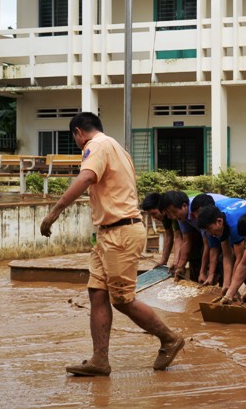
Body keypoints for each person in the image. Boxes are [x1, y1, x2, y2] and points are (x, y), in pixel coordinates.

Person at [40, 112, 184, 376]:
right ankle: (99, 360)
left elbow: (85, 178)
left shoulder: (96, 145)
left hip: (121, 232)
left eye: (76, 140)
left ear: (78, 133)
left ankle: (169, 338)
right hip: (108, 233)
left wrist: (55, 211)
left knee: (122, 299)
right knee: (97, 292)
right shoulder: (116, 147)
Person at [196, 198, 246, 292]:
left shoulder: (234, 225)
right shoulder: (221, 224)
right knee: (237, 263)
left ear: (219, 221)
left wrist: (232, 288)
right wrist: (227, 285)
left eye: (209, 229)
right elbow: (227, 256)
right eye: (207, 231)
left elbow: (240, 259)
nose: (210, 234)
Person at [140, 191, 182, 270]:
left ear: (162, 208)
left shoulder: (173, 212)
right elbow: (169, 236)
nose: (154, 217)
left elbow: (178, 238)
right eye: (151, 215)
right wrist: (163, 261)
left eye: (154, 213)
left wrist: (176, 263)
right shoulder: (165, 217)